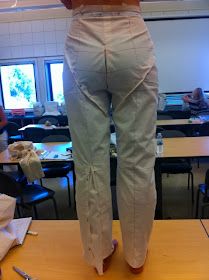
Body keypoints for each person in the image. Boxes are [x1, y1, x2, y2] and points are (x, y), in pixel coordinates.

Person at [61, 0, 158, 275]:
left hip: (82, 37)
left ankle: (98, 253)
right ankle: (136, 256)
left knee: (89, 162)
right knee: (138, 160)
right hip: (131, 35)